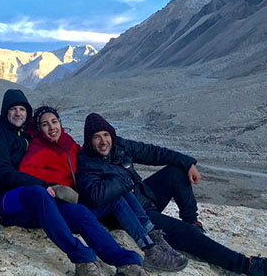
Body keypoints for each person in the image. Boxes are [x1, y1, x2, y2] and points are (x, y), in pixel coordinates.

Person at [77, 113, 267, 276]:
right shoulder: (85, 161)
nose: (103, 141)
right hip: (128, 218)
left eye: (106, 135)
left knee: (176, 171)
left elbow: (153, 152)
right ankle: (252, 267)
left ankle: (193, 224)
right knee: (183, 234)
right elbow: (96, 196)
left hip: (143, 201)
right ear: (89, 140)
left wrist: (187, 162)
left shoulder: (119, 145)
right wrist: (126, 181)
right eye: (96, 137)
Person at [0, 90, 148, 276]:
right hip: (6, 201)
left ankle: (125, 262)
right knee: (39, 192)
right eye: (12, 109)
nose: (17, 113)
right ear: (4, 112)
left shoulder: (26, 134)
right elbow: (1, 173)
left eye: (22, 109)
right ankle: (82, 258)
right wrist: (44, 183)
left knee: (79, 212)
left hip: (35, 203)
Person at [19, 106, 187, 272]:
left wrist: (187, 162)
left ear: (60, 123)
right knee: (115, 194)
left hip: (81, 200)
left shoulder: (67, 142)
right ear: (39, 128)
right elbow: (26, 177)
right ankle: (149, 248)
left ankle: (153, 240)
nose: (51, 127)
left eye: (54, 122)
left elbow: (83, 159)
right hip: (64, 207)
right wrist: (51, 187)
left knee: (119, 192)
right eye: (45, 124)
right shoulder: (37, 150)